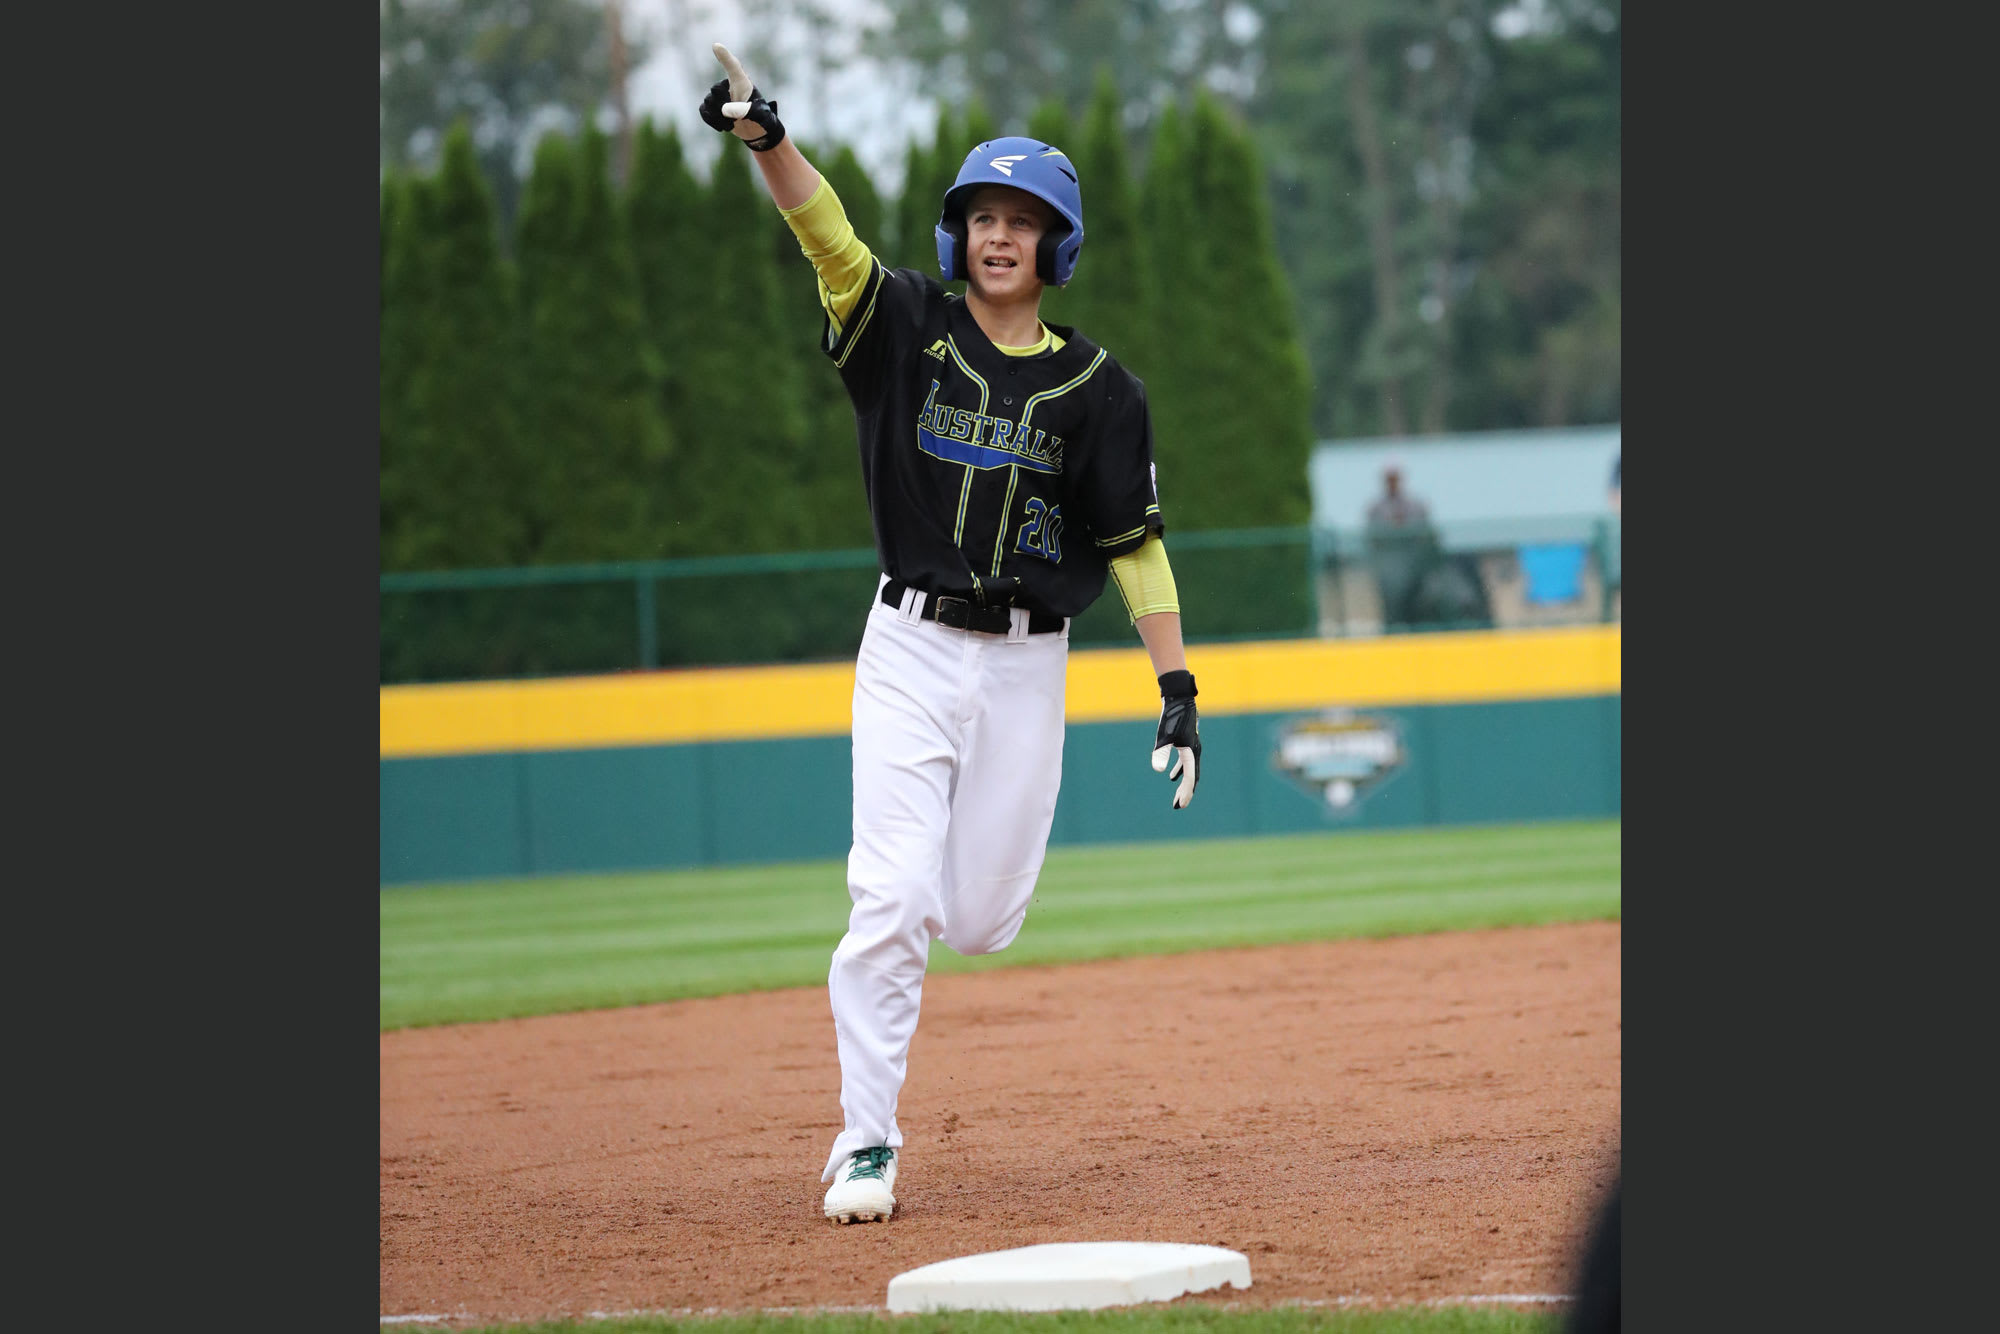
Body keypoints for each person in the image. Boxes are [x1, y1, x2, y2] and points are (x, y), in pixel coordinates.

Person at [698, 45, 1202, 1225]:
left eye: (1021, 221)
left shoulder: (1100, 391)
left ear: (1055, 246)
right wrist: (770, 140)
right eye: (981, 216)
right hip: (910, 648)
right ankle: (865, 1139)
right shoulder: (902, 326)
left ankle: (924, 926)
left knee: (976, 919)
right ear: (955, 233)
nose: (997, 235)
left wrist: (1175, 682)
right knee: (887, 899)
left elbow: (1132, 544)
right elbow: (826, 237)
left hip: (1026, 663)